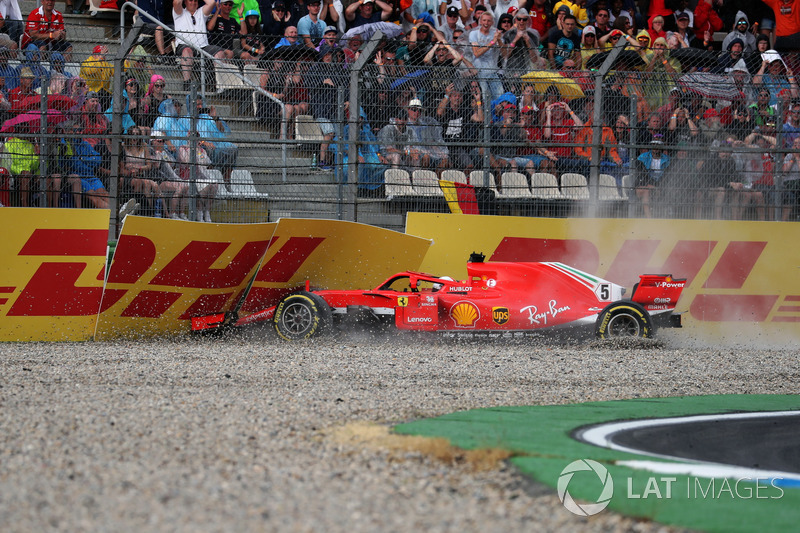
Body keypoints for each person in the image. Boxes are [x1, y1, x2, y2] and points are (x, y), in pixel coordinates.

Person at [173, 0, 229, 91]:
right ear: (185, 2)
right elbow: (176, 2)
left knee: (219, 52)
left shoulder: (201, 12)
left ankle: (221, 85)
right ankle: (187, 82)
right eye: (190, 0)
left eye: (195, 0)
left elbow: (211, 3)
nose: (193, 2)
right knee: (187, 51)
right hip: (184, 45)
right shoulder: (179, 12)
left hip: (203, 47)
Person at [190, 93, 239, 191]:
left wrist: (214, 117)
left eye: (200, 104)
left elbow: (221, 130)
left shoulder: (207, 117)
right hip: (201, 147)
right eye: (197, 104)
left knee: (233, 149)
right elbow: (190, 135)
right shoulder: (188, 119)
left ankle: (226, 179)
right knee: (210, 150)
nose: (199, 107)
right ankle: (210, 181)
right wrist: (205, 142)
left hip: (215, 144)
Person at [436, 82, 483, 171]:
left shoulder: (465, 110)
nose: (457, 98)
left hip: (458, 147)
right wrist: (446, 95)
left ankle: (464, 184)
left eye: (460, 96)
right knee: (445, 165)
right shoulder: (446, 110)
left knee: (469, 166)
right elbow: (439, 112)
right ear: (450, 98)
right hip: (444, 145)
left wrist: (478, 101)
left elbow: (480, 119)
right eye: (454, 96)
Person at [470, 10, 505, 101]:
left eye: (489, 21)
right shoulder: (474, 34)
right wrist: (492, 42)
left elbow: (504, 53)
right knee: (485, 97)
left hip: (492, 72)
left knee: (500, 95)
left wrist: (499, 40)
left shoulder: (495, 34)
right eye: (484, 20)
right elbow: (476, 53)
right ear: (480, 21)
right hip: (479, 72)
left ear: (492, 23)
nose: (486, 23)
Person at [635, 136, 670, 218]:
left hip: (659, 184)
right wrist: (650, 184)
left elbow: (666, 176)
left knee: (661, 190)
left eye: (658, 145)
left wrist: (656, 185)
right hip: (644, 184)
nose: (655, 147)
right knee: (647, 191)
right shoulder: (643, 157)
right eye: (654, 144)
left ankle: (661, 216)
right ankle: (649, 217)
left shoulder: (667, 159)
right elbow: (641, 175)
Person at [781, 135, 800, 221]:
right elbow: (784, 171)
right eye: (794, 144)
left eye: (798, 144)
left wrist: (797, 158)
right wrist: (793, 158)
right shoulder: (789, 156)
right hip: (788, 184)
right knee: (790, 196)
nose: (796, 146)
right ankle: (784, 221)